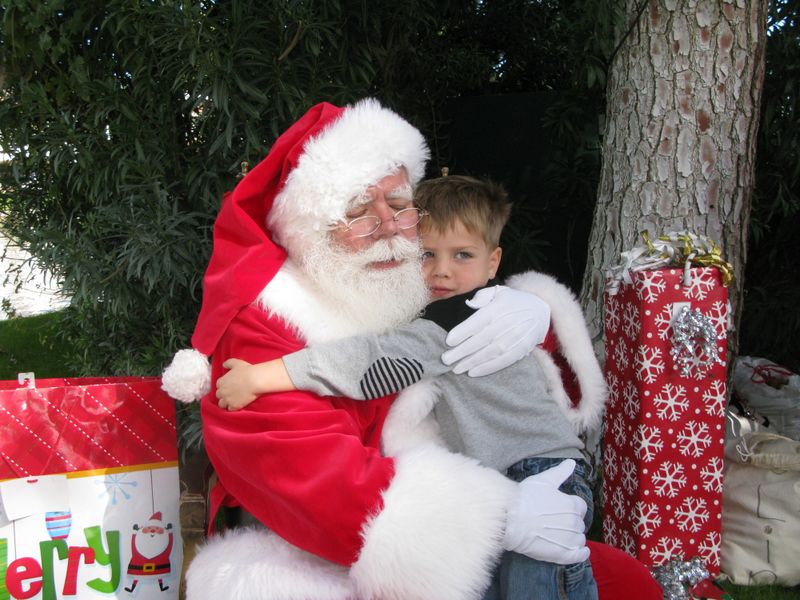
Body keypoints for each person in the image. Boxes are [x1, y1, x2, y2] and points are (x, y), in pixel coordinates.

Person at [161, 98, 663, 600]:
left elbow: (497, 371)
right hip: (343, 550)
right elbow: (310, 479)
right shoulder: (267, 320)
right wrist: (497, 517)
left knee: (628, 583)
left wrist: (529, 312)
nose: (388, 225)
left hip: (500, 490)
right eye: (359, 211)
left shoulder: (412, 278)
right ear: (312, 228)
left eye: (400, 205)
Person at [215, 175, 600, 600]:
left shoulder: (455, 317)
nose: (442, 270)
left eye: (462, 256)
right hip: (510, 476)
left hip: (542, 473)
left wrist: (264, 376)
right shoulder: (441, 313)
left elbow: (374, 362)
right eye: (427, 254)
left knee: (539, 588)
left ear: (493, 264)